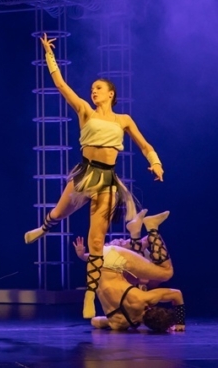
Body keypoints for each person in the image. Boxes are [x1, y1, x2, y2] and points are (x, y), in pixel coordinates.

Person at [24, 33, 164, 319]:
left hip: (107, 181)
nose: (93, 92)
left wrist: (156, 163)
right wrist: (49, 55)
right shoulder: (85, 111)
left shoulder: (123, 120)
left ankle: (89, 294)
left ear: (111, 94)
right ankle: (44, 228)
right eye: (92, 89)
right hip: (85, 174)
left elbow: (145, 145)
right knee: (59, 213)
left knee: (96, 241)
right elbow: (61, 85)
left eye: (98, 88)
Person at [73, 210, 184, 332]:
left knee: (166, 273)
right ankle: (134, 231)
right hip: (98, 263)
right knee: (140, 280)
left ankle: (152, 226)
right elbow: (95, 321)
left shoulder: (143, 299)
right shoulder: (118, 323)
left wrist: (181, 323)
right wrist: (83, 257)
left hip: (114, 257)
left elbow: (176, 294)